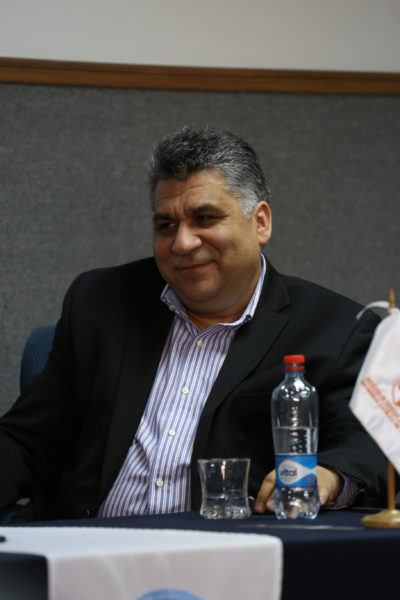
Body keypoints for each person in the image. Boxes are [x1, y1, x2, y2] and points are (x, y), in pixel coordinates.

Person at [0, 125, 386, 521]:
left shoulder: (336, 329)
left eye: (204, 218)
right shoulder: (100, 301)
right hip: (85, 541)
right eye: (166, 225)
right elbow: (31, 438)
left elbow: (370, 448)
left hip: (228, 548)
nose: (182, 243)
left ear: (260, 223)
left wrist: (329, 476)